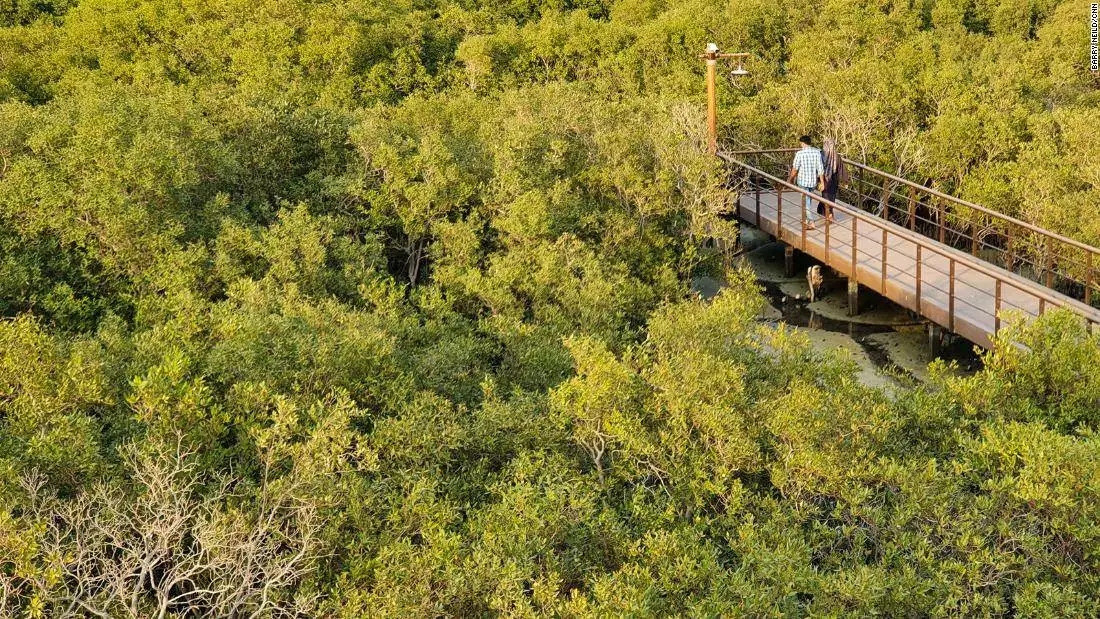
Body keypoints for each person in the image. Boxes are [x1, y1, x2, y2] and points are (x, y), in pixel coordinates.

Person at [787, 135, 824, 229]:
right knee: (808, 201)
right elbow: (820, 169)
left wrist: (790, 179)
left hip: (803, 182)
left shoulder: (800, 154)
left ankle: (811, 222)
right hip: (812, 181)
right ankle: (806, 220)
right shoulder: (817, 152)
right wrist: (822, 182)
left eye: (801, 143)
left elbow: (795, 169)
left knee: (805, 202)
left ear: (803, 143)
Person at [818, 137, 848, 221]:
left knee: (827, 196)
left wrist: (845, 181)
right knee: (829, 197)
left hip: (825, 179)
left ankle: (826, 212)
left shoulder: (821, 155)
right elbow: (841, 169)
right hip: (831, 180)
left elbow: (841, 168)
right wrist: (845, 181)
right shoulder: (836, 156)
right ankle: (829, 214)